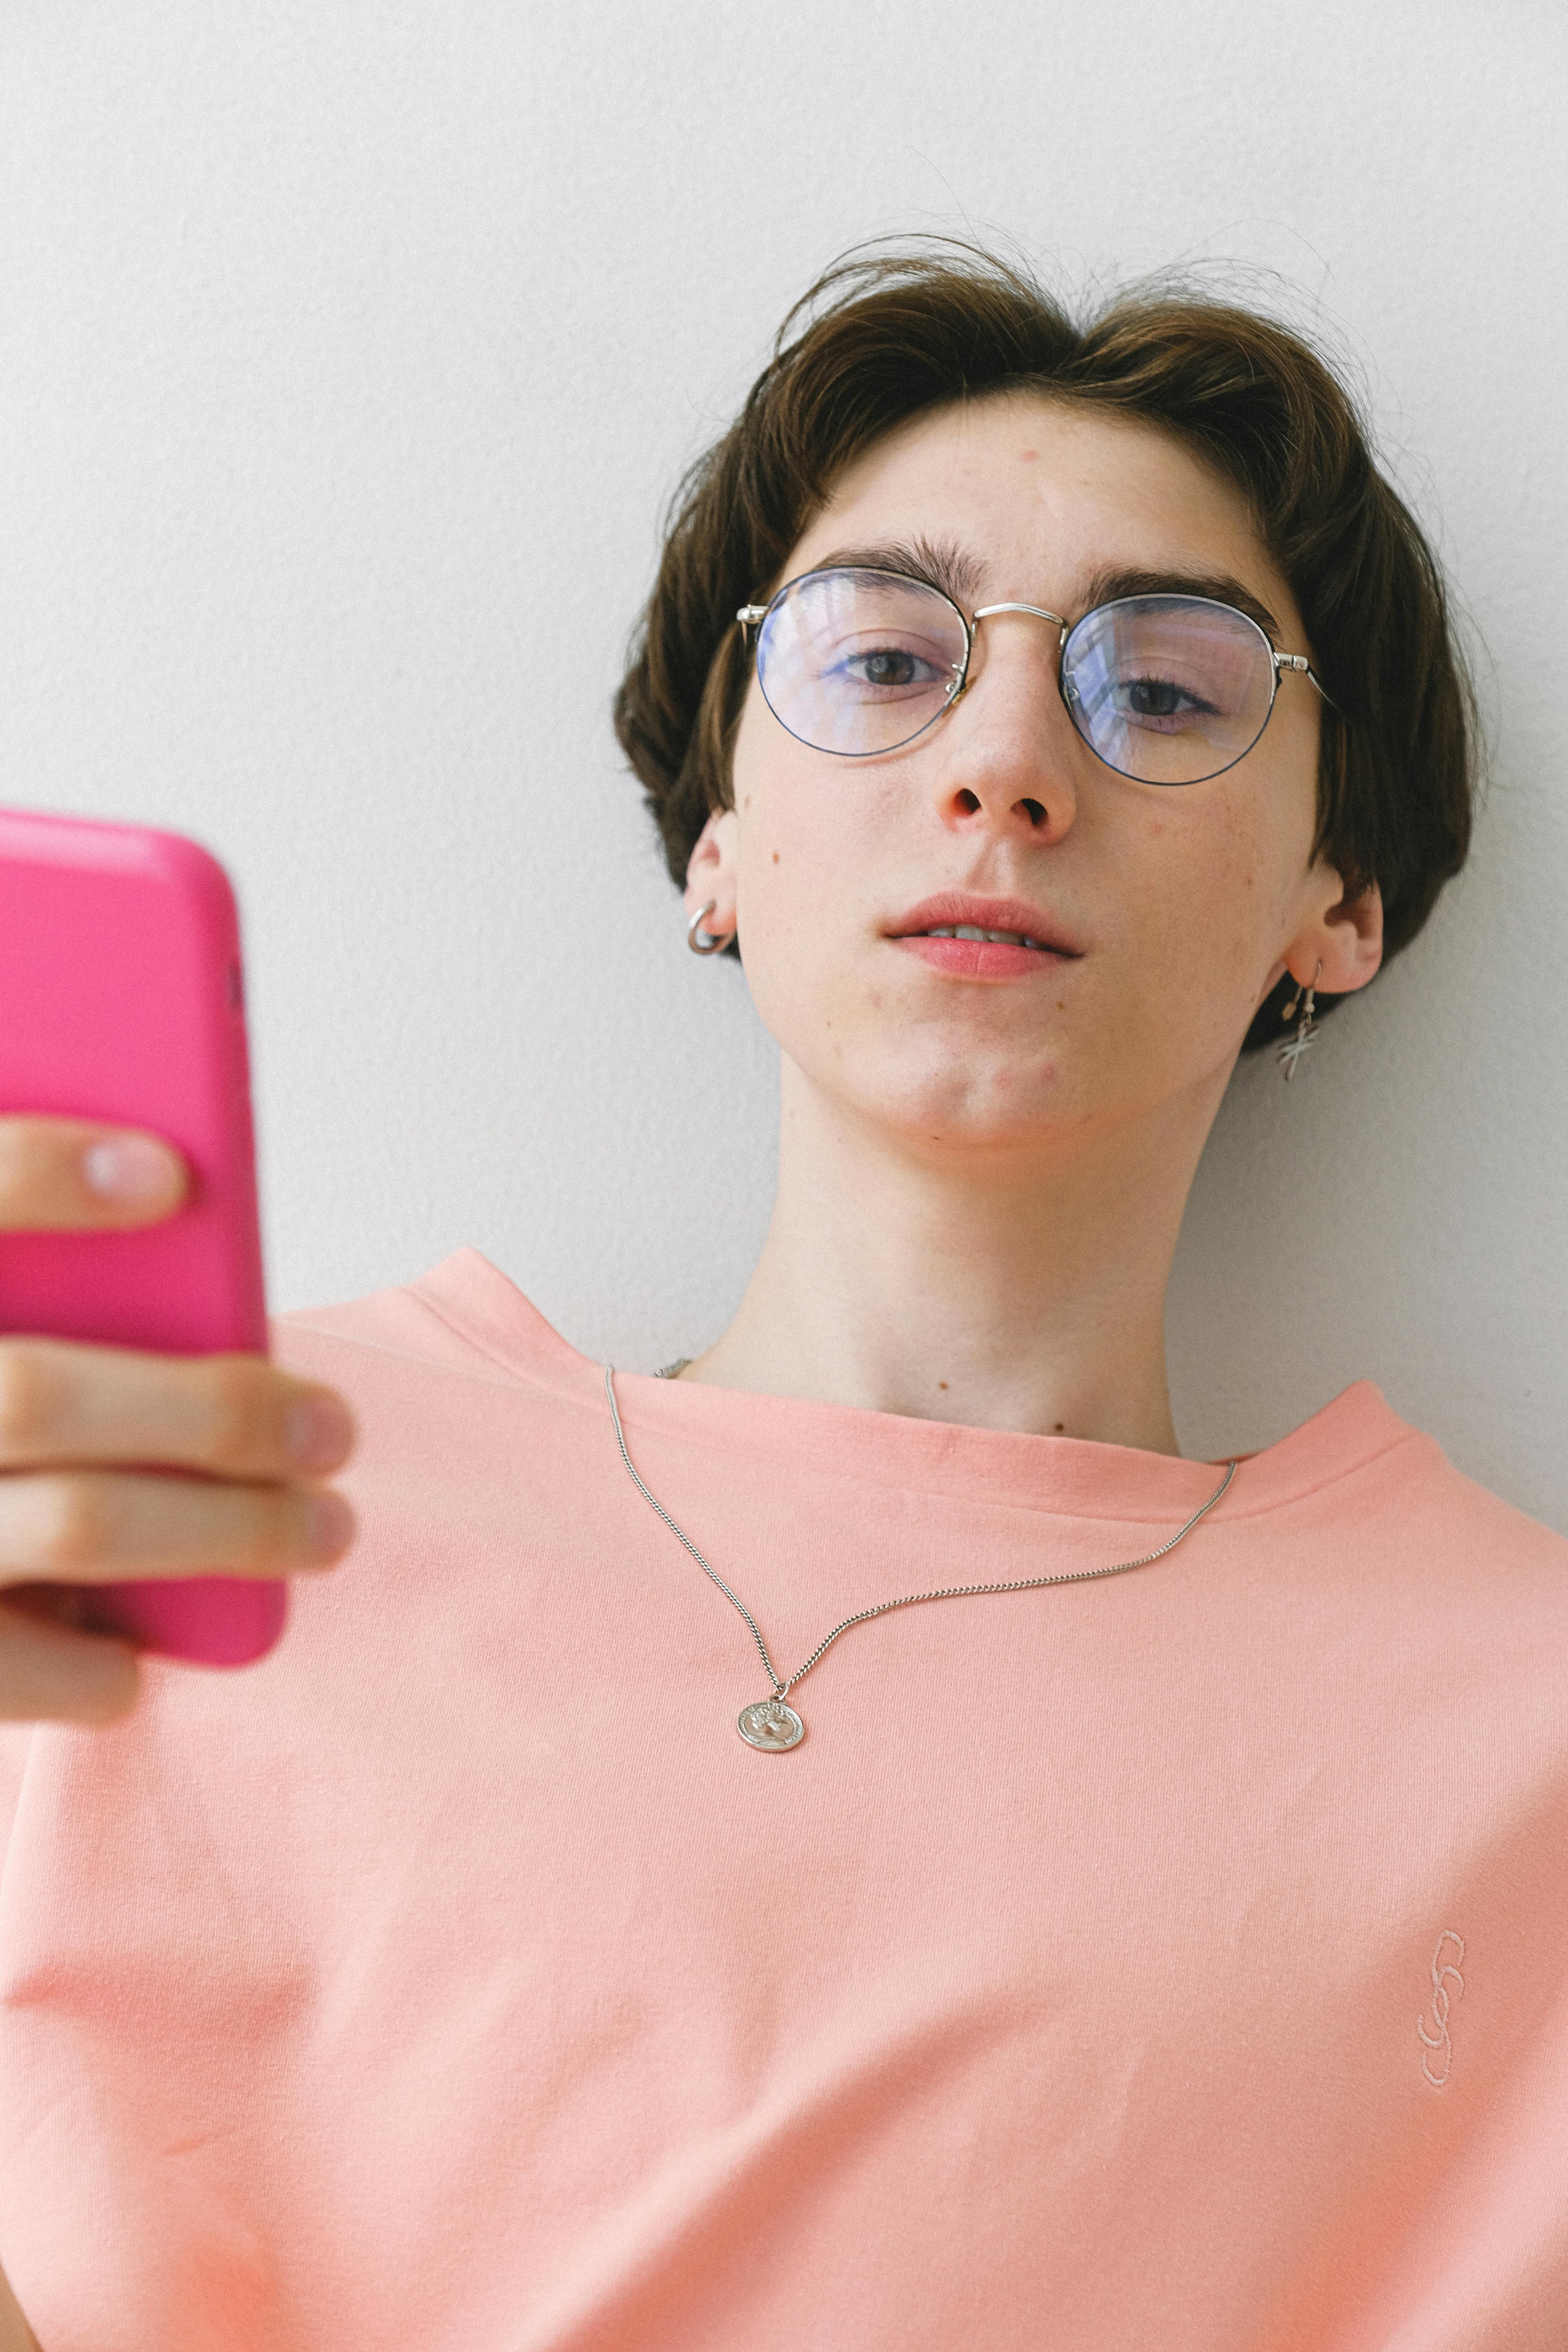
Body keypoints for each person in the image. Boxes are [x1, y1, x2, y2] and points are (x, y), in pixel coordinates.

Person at [0, 244, 1560, 2351]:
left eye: (1168, 689)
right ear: (719, 841)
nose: (1007, 763)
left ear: (1339, 903)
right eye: (885, 659)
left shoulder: (1518, 1723)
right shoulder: (208, 1470)